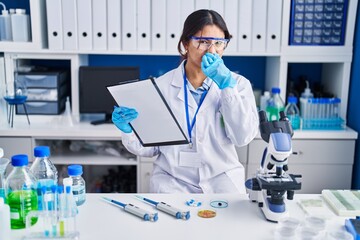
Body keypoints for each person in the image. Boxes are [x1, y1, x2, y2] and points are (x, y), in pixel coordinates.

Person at [112, 9, 259, 193]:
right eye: (203, 42)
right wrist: (129, 130)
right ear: (185, 44)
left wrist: (227, 88)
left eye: (219, 43)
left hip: (221, 180)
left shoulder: (238, 85)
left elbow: (242, 137)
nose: (212, 51)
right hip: (173, 182)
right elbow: (151, 150)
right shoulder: (162, 86)